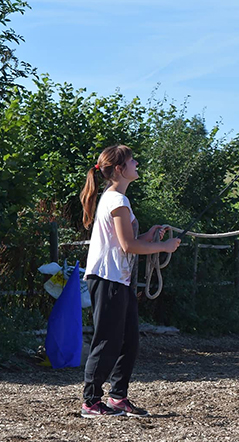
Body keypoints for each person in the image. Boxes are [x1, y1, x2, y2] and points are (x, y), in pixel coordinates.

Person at [78, 144, 181, 418]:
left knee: (129, 341)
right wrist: (164, 247)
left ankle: (117, 397)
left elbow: (129, 241)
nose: (136, 163)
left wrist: (149, 236)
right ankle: (91, 402)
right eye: (132, 161)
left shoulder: (118, 200)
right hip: (108, 277)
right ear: (120, 169)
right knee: (107, 341)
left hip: (118, 279)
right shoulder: (117, 201)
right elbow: (127, 246)